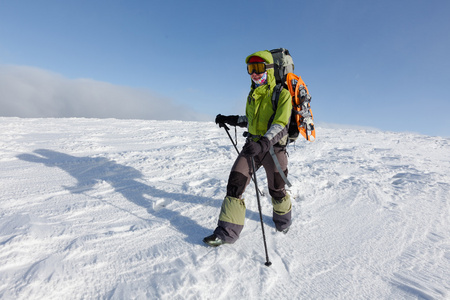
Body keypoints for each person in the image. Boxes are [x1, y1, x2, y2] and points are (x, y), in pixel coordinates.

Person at [203, 50, 293, 247]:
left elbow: (281, 124)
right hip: (252, 147)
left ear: (269, 69)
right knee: (235, 184)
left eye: (258, 68)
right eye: (250, 69)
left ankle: (283, 222)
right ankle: (226, 233)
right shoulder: (252, 95)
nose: (254, 73)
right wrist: (230, 119)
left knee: (277, 189)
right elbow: (250, 120)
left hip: (274, 150)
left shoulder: (282, 94)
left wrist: (263, 143)